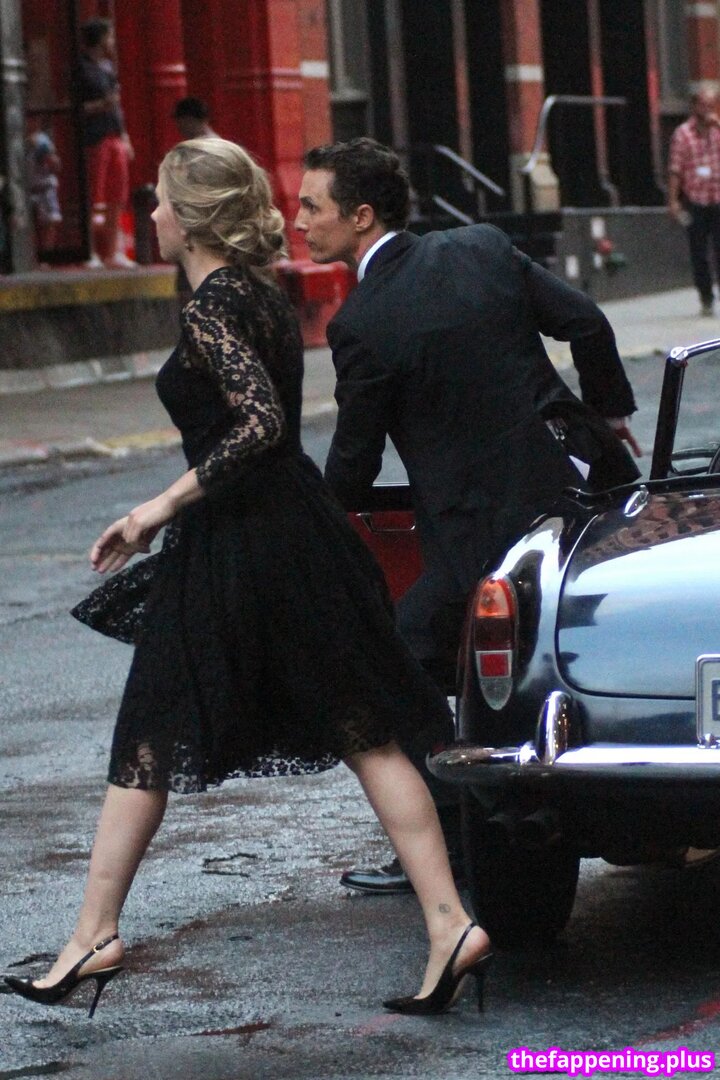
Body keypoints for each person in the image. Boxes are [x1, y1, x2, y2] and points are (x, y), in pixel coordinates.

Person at [3, 137, 491, 1020]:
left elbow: (259, 424)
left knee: (151, 731)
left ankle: (93, 935)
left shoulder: (211, 307)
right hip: (291, 533)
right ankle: (450, 924)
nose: (150, 213)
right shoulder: (258, 295)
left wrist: (158, 507)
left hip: (243, 542)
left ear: (191, 218)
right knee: (365, 731)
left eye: (159, 199)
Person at [296, 137, 641, 897]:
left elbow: (353, 466)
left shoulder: (362, 324)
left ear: (360, 216)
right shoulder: (482, 246)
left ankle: (454, 837)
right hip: (583, 501)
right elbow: (587, 323)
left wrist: (304, 521)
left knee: (386, 668)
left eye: (311, 206)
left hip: (481, 543)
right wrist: (610, 414)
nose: (299, 222)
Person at [77, 17, 136, 269]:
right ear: (100, 39)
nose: (112, 41)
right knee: (94, 196)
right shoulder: (81, 69)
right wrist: (103, 105)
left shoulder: (108, 67)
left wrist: (124, 136)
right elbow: (75, 108)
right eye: (109, 36)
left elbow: (117, 107)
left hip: (113, 135)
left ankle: (112, 251)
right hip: (95, 137)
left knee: (117, 196)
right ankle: (89, 251)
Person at [668, 88, 720, 316]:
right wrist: (673, 201)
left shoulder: (717, 131)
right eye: (703, 105)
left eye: (711, 105)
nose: (707, 109)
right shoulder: (683, 134)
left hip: (717, 199)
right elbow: (675, 169)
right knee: (699, 252)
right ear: (694, 106)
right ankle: (706, 297)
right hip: (695, 201)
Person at [26, 126, 62, 258]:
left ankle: (47, 256)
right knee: (27, 224)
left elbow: (56, 165)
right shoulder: (14, 137)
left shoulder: (43, 140)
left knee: (50, 221)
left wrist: (47, 156)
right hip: (26, 189)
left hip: (44, 187)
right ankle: (30, 257)